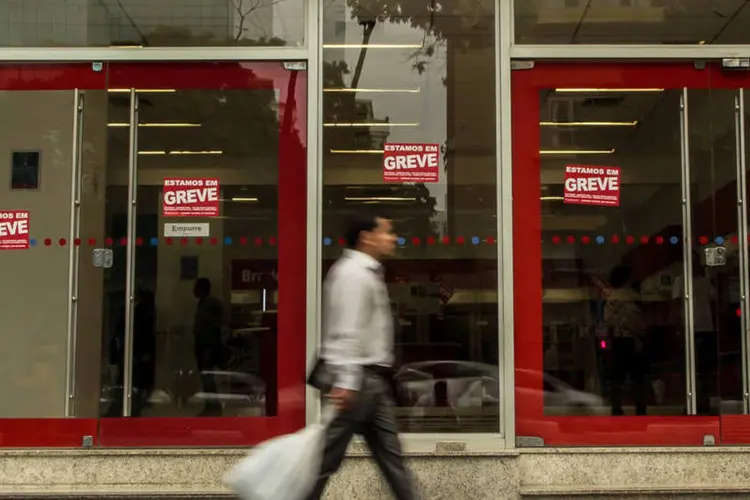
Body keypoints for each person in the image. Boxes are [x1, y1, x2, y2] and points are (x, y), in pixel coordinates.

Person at [307, 215, 418, 500]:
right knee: (324, 462)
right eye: (386, 232)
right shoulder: (352, 274)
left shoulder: (366, 272)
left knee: (392, 460)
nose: (392, 238)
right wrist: (346, 382)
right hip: (356, 381)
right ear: (366, 237)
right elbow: (347, 330)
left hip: (371, 383)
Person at [603, 265, 648, 416]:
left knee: (616, 378)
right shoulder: (632, 297)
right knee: (637, 378)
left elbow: (608, 320)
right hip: (632, 340)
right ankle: (640, 408)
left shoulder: (610, 298)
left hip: (617, 340)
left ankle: (616, 408)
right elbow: (636, 321)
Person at [193, 277, 225, 416]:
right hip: (204, 346)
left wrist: (209, 348)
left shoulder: (208, 306)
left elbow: (210, 328)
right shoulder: (203, 304)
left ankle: (213, 406)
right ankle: (211, 405)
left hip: (207, 347)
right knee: (206, 377)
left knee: (208, 377)